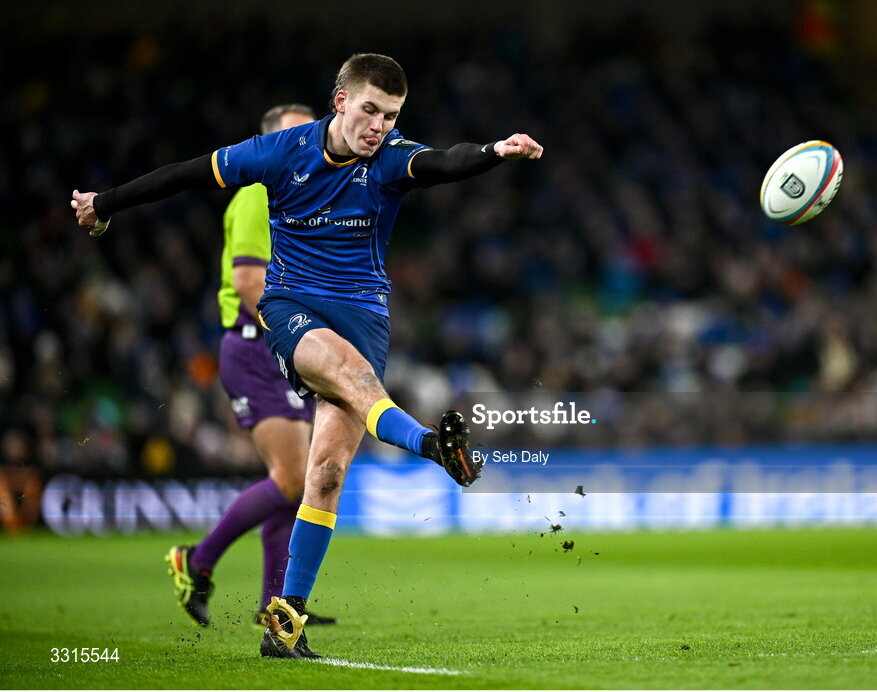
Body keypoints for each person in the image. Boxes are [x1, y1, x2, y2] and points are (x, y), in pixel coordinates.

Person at [71, 53, 543, 659]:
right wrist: (106, 202)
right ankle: (431, 446)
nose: (379, 125)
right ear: (340, 101)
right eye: (370, 109)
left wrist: (493, 152)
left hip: (365, 318)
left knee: (325, 474)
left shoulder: (392, 158)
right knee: (348, 377)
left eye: (391, 115)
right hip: (294, 308)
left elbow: (442, 161)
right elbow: (190, 173)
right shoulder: (283, 151)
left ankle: (283, 623)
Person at [164, 103, 336, 630]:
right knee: (290, 479)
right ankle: (194, 560)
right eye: (291, 135)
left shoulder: (296, 197)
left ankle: (273, 603)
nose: (304, 142)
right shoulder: (257, 196)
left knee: (295, 482)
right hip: (257, 346)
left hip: (278, 347)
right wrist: (302, 339)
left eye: (309, 131)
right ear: (266, 146)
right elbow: (247, 282)